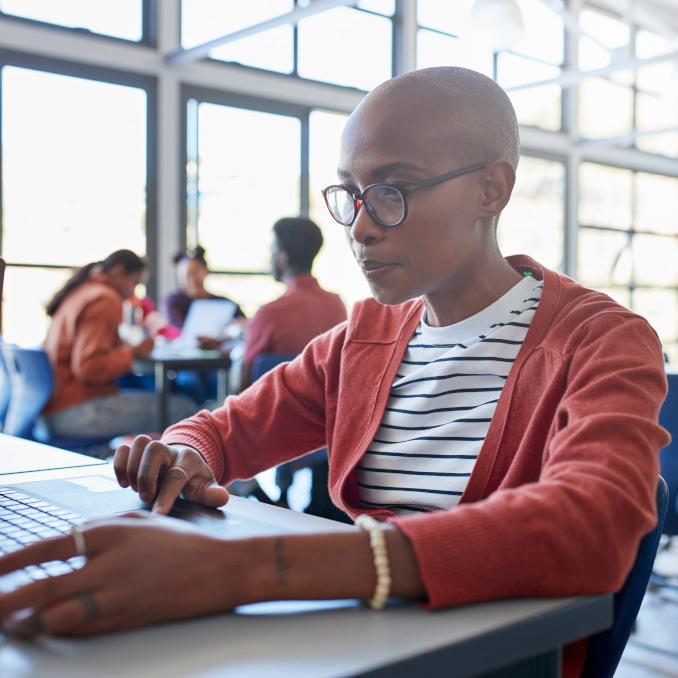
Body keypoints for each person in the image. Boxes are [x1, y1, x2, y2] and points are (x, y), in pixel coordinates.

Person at [0, 68, 668, 678]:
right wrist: (182, 455)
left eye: (392, 191)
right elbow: (223, 429)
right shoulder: (364, 339)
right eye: (350, 194)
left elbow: (594, 524)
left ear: (491, 189)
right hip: (361, 639)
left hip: (498, 658)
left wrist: (247, 571)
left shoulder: (599, 338)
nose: (362, 227)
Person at [41, 250, 196, 438]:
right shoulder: (105, 298)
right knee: (184, 408)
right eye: (135, 283)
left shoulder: (82, 291)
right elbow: (88, 366)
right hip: (76, 410)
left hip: (53, 410)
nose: (133, 292)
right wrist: (133, 352)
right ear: (119, 271)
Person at [240, 216, 347, 390]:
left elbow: (246, 382)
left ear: (282, 258)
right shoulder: (337, 306)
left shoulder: (269, 313)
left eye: (272, 250)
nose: (269, 258)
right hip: (324, 411)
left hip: (274, 411)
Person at [163, 247, 245, 332]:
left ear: (205, 271)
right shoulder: (173, 301)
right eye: (184, 276)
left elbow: (244, 323)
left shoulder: (223, 302)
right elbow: (176, 328)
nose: (191, 280)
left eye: (195, 273)